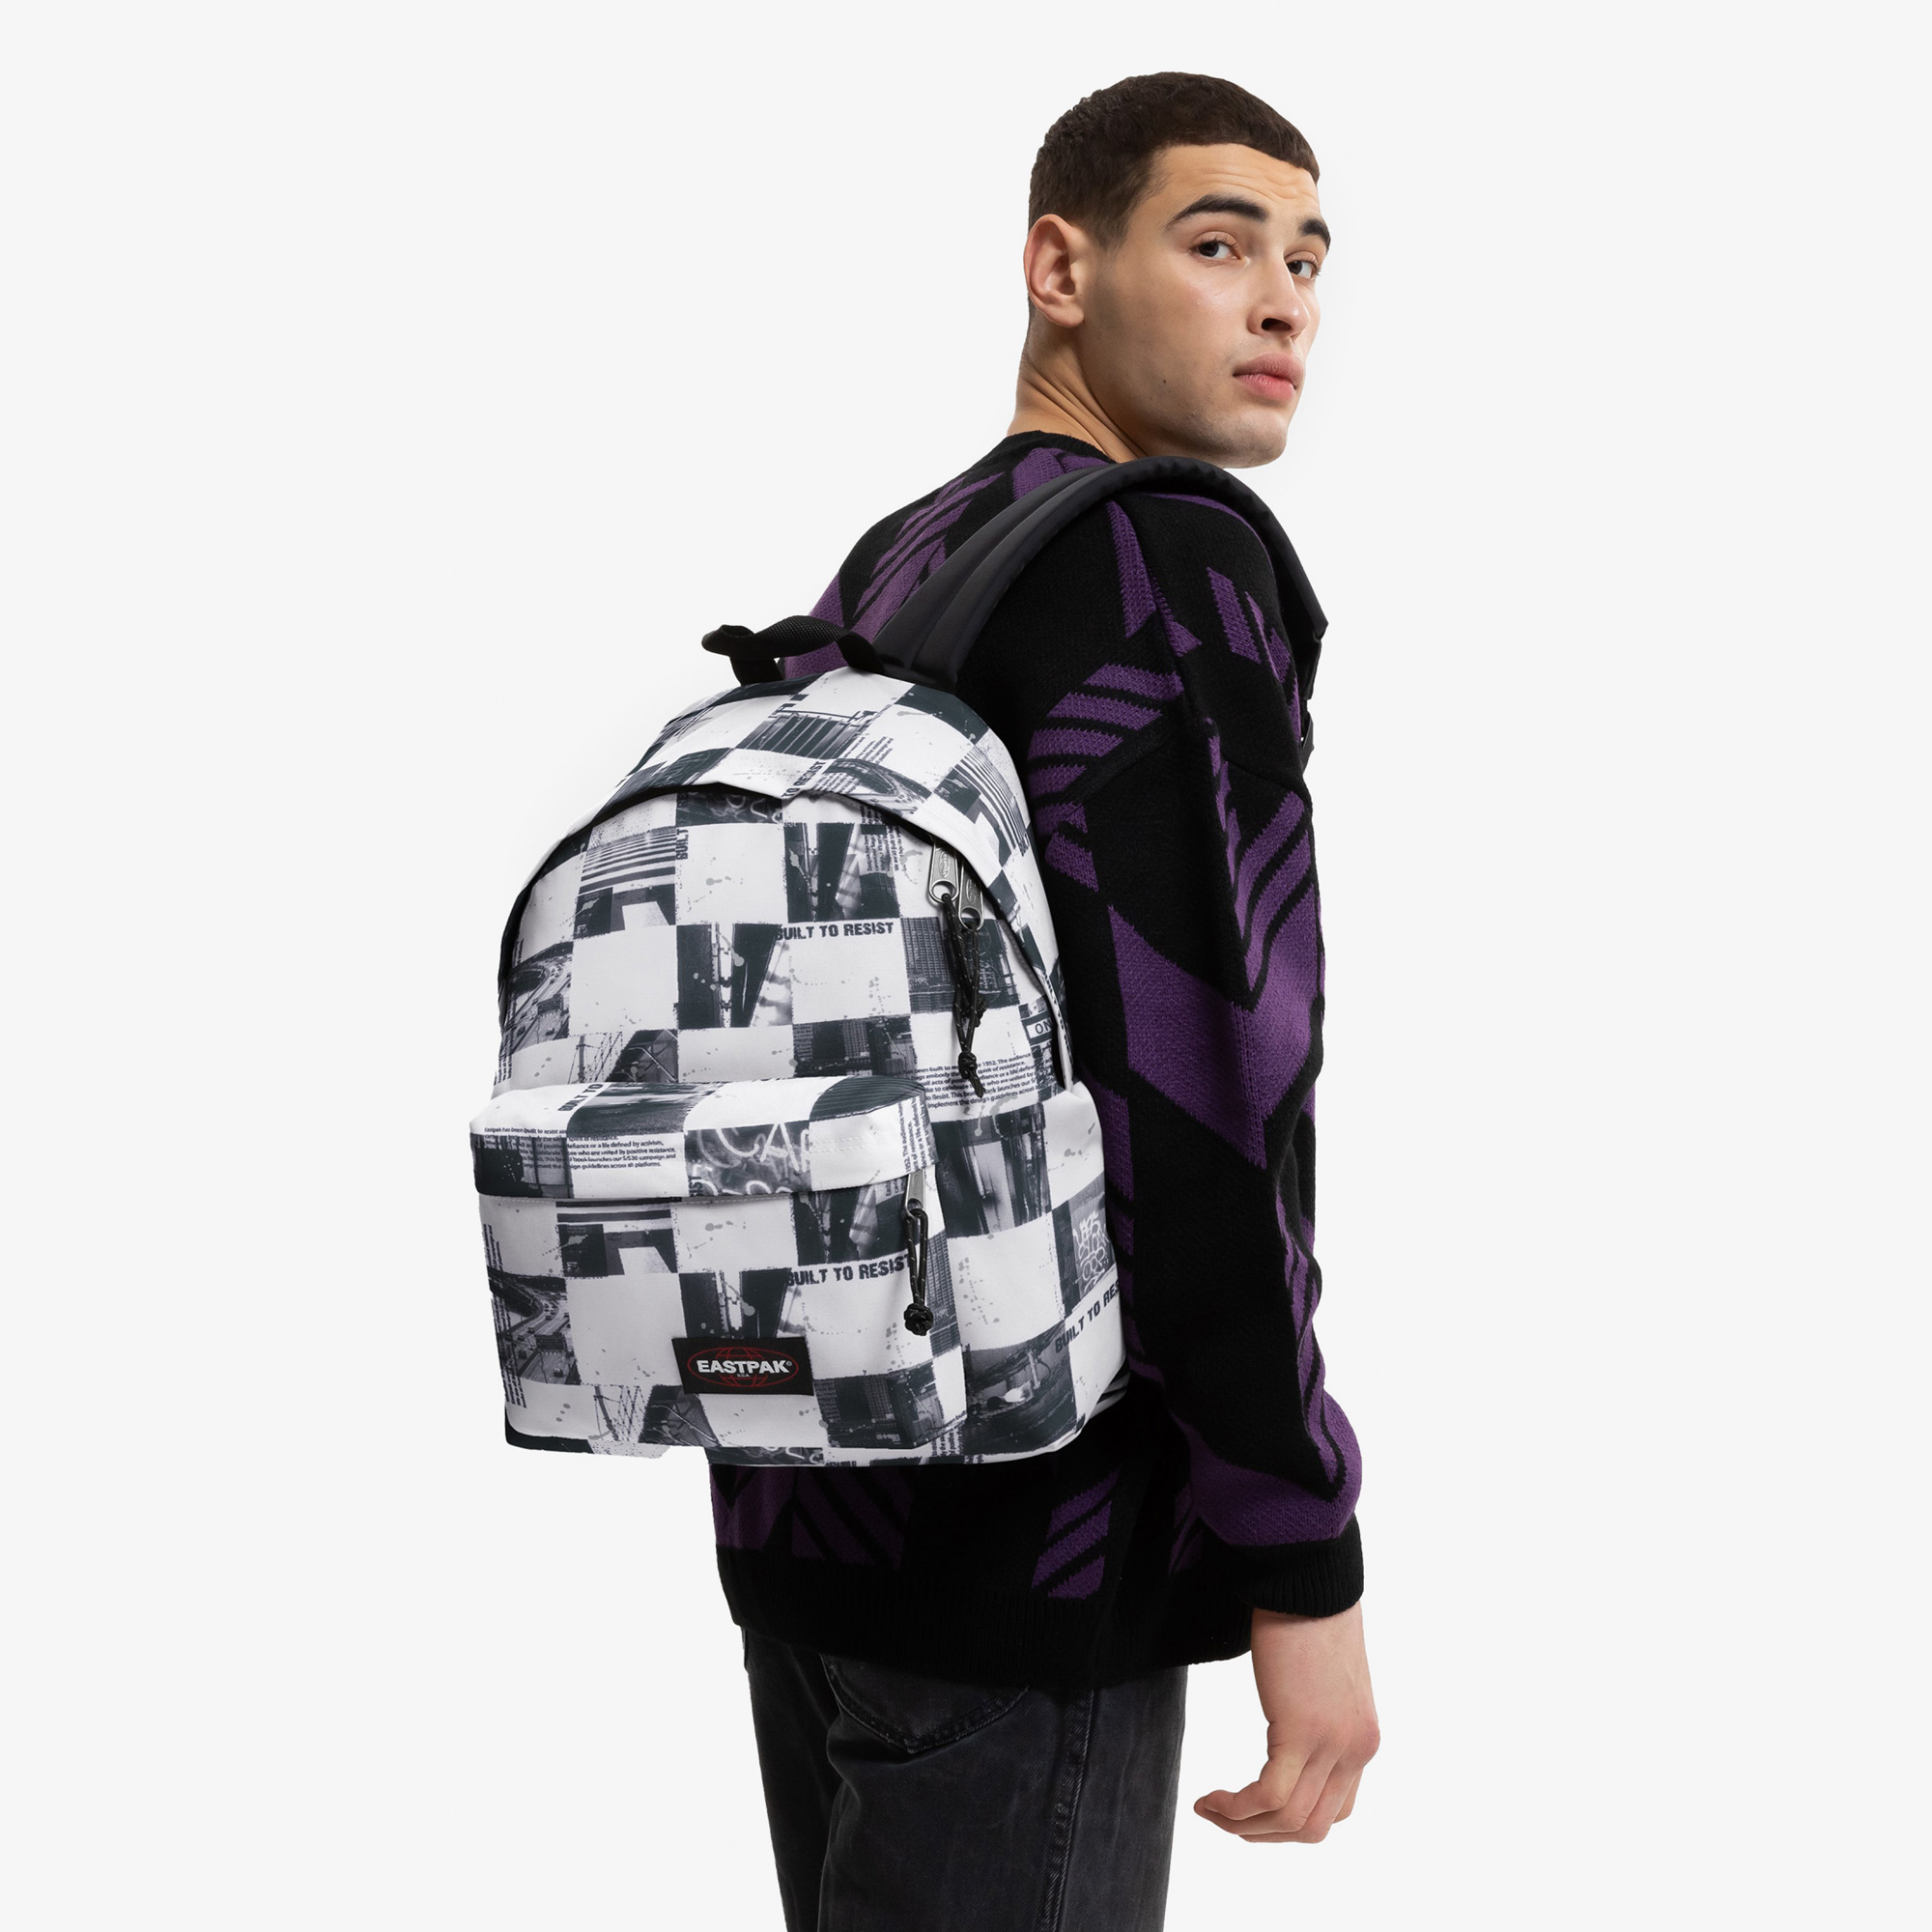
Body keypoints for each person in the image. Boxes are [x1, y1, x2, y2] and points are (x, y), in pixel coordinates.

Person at [717, 72, 1379, 1930]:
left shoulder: (903, 559)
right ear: (1061, 270)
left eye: (1309, 261)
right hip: (1036, 1538)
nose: (1283, 302)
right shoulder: (1161, 559)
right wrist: (1301, 1550)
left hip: (815, 1495)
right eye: (1220, 243)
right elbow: (1198, 1097)